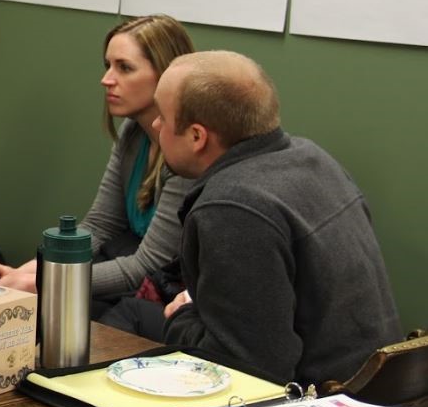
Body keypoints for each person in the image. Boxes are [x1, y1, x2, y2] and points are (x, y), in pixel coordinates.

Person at [150, 51, 402, 385]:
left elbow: (248, 370)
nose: (155, 125)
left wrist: (181, 318)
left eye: (162, 117)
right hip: (380, 389)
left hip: (320, 405)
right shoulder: (313, 158)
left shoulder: (231, 209)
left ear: (197, 136)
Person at [0, 15, 195, 324]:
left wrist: (46, 281)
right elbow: (100, 225)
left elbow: (148, 265)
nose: (107, 79)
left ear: (165, 76)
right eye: (108, 65)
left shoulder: (185, 151)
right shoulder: (132, 132)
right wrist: (35, 268)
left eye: (124, 68)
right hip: (135, 280)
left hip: (169, 295)